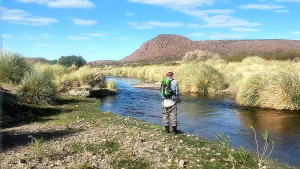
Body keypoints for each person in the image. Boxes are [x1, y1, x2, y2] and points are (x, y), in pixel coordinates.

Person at [161, 69, 180, 134]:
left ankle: (167, 130)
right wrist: (177, 98)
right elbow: (177, 93)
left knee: (165, 115)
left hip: (164, 102)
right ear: (172, 74)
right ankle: (174, 130)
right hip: (172, 102)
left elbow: (162, 92)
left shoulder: (163, 81)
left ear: (166, 74)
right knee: (173, 116)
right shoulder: (175, 82)